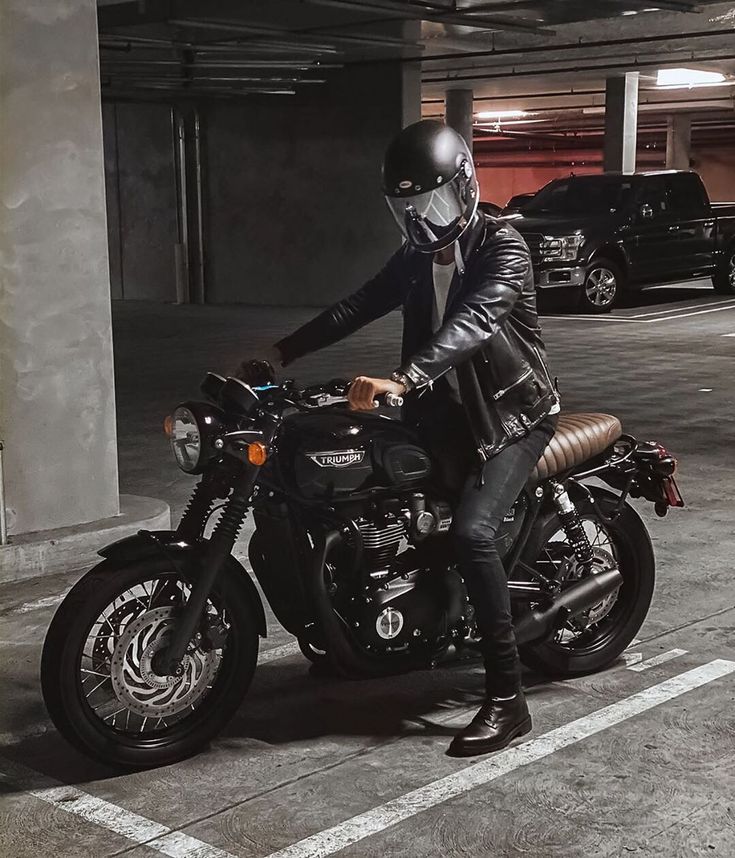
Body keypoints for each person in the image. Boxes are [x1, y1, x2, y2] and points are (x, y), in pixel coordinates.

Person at [266, 119, 560, 757]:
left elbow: (476, 322)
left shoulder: (503, 248)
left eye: (434, 203)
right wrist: (280, 353)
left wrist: (405, 376)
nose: (424, 221)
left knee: (472, 533)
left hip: (509, 420)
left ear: (465, 188)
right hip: (441, 416)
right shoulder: (415, 256)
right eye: (409, 209)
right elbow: (357, 305)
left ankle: (508, 699)